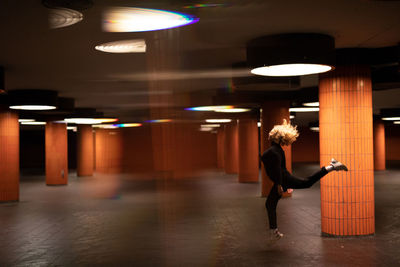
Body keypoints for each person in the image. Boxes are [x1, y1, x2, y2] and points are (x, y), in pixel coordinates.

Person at [260, 119, 348, 240]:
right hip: (282, 180)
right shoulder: (278, 150)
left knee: (306, 183)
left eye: (272, 134)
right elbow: (282, 169)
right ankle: (273, 231)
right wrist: (286, 184)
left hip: (281, 180)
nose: (269, 135)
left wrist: (280, 185)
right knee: (270, 204)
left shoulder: (273, 152)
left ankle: (332, 166)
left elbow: (278, 170)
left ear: (276, 137)